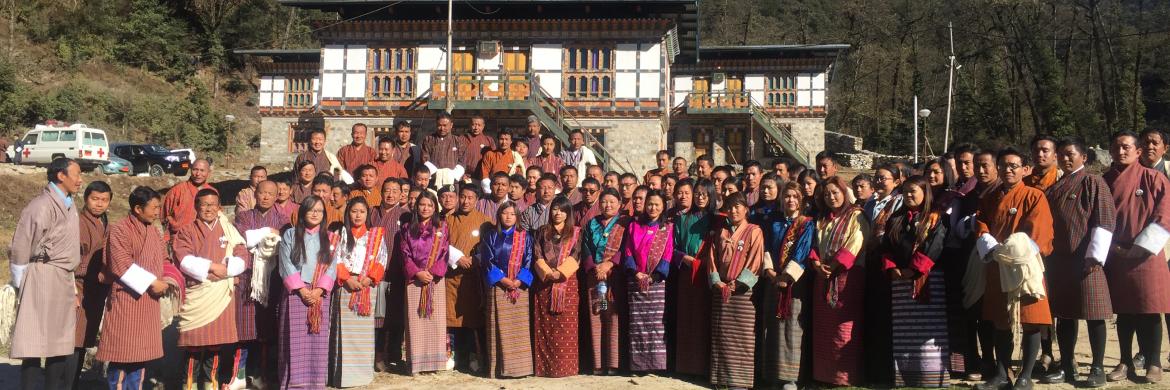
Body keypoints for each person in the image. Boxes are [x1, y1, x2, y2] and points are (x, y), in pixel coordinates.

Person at [972, 148, 1055, 390]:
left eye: (1014, 166)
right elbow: (981, 223)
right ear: (997, 168)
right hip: (998, 264)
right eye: (1004, 165)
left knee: (1031, 320)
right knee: (1000, 321)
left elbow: (1040, 231)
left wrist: (1014, 249)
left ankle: (1026, 376)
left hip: (1025, 266)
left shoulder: (1034, 195)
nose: (1008, 170)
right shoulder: (989, 197)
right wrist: (991, 245)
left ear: (1024, 169)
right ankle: (1001, 375)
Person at [1040, 138, 1116, 387]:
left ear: (1084, 157)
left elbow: (1104, 221)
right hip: (1058, 261)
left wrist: (1094, 256)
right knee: (1064, 315)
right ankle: (1067, 364)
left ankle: (1096, 368)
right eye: (1061, 154)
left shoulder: (1093, 182)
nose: (1065, 158)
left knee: (1094, 314)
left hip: (1087, 260)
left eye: (1070, 154)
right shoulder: (1053, 188)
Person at [1103, 131, 1170, 383]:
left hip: (1147, 255)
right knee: (1124, 311)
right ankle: (1125, 361)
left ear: (1137, 151)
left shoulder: (1154, 178)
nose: (1121, 151)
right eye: (1117, 147)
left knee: (1150, 310)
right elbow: (1096, 218)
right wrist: (1111, 247)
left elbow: (1164, 216)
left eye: (1126, 147)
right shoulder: (1102, 181)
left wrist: (1139, 248)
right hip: (1114, 252)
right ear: (1110, 151)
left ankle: (1154, 362)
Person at [9, 158, 83, 390]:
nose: (80, 180)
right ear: (61, 176)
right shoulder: (41, 205)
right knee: (33, 341)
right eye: (77, 174)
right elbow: (21, 246)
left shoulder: (70, 205)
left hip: (62, 277)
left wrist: (72, 286)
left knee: (59, 343)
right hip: (40, 276)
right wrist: (23, 284)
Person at [96, 186, 180, 390]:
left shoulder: (153, 230)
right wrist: (153, 282)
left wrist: (168, 280)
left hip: (149, 302)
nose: (157, 212)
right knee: (122, 357)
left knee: (141, 357)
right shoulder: (119, 229)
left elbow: (164, 258)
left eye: (158, 207)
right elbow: (121, 265)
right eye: (153, 208)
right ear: (137, 209)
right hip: (126, 301)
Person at [878, 177, 950, 387]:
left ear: (925, 193)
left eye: (913, 191)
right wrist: (892, 268)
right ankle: (905, 376)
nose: (909, 196)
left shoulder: (936, 217)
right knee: (905, 333)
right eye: (906, 192)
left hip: (927, 280)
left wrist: (914, 269)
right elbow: (886, 246)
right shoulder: (896, 218)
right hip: (900, 281)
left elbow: (936, 244)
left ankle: (930, 377)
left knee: (927, 334)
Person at [172, 189, 248, 389]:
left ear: (219, 207)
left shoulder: (228, 229)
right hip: (199, 294)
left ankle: (211, 385)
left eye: (212, 204)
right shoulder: (186, 231)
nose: (208, 209)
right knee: (193, 349)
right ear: (196, 207)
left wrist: (228, 270)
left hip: (220, 295)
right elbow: (184, 259)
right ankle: (189, 386)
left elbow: (241, 252)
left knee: (215, 348)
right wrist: (212, 268)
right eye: (204, 204)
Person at [810, 176, 866, 386]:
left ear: (844, 192)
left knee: (844, 328)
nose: (831, 197)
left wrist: (833, 266)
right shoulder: (823, 218)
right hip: (823, 278)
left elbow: (855, 243)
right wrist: (816, 264)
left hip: (846, 279)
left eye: (835, 192)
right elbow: (814, 244)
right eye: (827, 194)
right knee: (824, 330)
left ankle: (843, 376)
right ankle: (824, 374)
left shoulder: (856, 216)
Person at [232, 180, 289, 388]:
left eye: (270, 193)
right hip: (248, 279)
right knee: (245, 327)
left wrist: (269, 234)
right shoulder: (244, 216)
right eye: (262, 192)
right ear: (255, 194)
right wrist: (268, 232)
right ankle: (239, 374)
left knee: (267, 327)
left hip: (273, 279)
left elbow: (286, 242)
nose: (265, 196)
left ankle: (262, 373)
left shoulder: (283, 219)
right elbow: (244, 238)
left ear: (277, 196)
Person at [759, 182, 815, 390]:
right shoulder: (773, 222)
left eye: (794, 196)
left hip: (794, 285)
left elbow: (803, 251)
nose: (790, 200)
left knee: (792, 329)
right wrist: (771, 272)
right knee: (772, 327)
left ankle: (790, 378)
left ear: (801, 200)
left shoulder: (807, 224)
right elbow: (766, 248)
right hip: (772, 281)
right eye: (787, 196)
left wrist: (786, 277)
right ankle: (773, 375)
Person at [705, 192, 764, 389]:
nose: (733, 210)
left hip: (742, 293)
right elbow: (712, 257)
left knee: (742, 337)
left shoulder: (755, 231)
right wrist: (716, 281)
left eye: (738, 206)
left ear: (746, 209)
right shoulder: (720, 231)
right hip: (721, 289)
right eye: (730, 207)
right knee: (721, 335)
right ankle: (720, 379)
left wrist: (738, 283)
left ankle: (739, 382)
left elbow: (755, 260)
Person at [276, 196, 336, 389]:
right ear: (302, 212)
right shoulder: (290, 235)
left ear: (324, 214)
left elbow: (332, 267)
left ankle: (316, 382)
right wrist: (302, 290)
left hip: (320, 295)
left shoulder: (330, 237)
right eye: (311, 209)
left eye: (319, 210)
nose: (315, 213)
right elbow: (285, 263)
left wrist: (318, 290)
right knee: (292, 341)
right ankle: (292, 383)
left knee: (317, 341)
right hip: (296, 294)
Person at [329, 197, 388, 388]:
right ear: (348, 212)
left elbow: (381, 259)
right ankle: (341, 375)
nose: (358, 215)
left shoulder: (375, 235)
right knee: (343, 333)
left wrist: (370, 278)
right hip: (346, 285)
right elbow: (334, 259)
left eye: (362, 211)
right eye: (354, 211)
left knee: (363, 334)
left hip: (366, 286)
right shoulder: (340, 234)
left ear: (367, 214)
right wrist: (347, 278)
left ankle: (362, 375)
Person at [478, 202, 536, 378]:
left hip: (519, 289)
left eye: (512, 213)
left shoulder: (525, 237)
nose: (508, 217)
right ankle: (498, 368)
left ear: (517, 217)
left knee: (518, 329)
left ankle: (520, 368)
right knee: (497, 327)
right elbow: (487, 260)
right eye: (505, 213)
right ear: (499, 215)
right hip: (498, 287)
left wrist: (519, 281)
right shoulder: (490, 236)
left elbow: (529, 259)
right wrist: (503, 279)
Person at [398, 191, 451, 375]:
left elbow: (444, 253)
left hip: (435, 280)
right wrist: (417, 272)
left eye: (429, 205)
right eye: (422, 204)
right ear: (416, 206)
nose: (425, 208)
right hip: (414, 280)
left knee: (434, 321)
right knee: (415, 320)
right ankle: (417, 363)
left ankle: (435, 362)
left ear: (435, 207)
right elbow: (404, 254)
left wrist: (433, 272)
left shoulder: (442, 227)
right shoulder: (406, 228)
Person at [622, 190, 674, 373]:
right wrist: (636, 272)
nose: (652, 207)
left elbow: (667, 254)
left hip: (656, 283)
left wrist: (655, 276)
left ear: (663, 207)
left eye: (657, 204)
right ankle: (638, 365)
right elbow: (628, 251)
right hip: (635, 281)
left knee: (656, 325)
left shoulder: (667, 228)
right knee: (637, 325)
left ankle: (657, 365)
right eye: (650, 204)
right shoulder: (634, 226)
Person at [66, 181, 111, 389]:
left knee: (83, 340)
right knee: (72, 342)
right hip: (80, 286)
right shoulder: (78, 222)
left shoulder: (105, 221)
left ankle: (73, 381)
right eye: (95, 199)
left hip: (96, 291)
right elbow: (74, 258)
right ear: (86, 199)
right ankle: (67, 383)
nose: (99, 204)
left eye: (104, 200)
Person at [671, 178, 717, 377]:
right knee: (686, 318)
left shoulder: (717, 219)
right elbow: (672, 247)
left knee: (703, 318)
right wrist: (685, 258)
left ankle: (702, 367)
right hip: (686, 272)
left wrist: (707, 260)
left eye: (704, 194)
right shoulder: (682, 218)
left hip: (707, 273)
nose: (700, 197)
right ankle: (686, 366)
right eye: (697, 193)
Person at [531, 196, 582, 378]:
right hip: (544, 284)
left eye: (562, 210)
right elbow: (537, 254)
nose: (557, 213)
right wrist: (547, 272)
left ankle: (566, 368)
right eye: (554, 209)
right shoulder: (541, 231)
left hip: (566, 284)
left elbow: (576, 255)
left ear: (568, 213)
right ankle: (545, 368)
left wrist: (560, 272)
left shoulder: (576, 232)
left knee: (565, 329)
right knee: (545, 327)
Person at [581, 188, 628, 375]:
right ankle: (598, 363)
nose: (607, 205)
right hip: (595, 277)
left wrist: (609, 264)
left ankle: (613, 364)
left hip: (614, 276)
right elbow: (585, 248)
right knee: (596, 316)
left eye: (611, 201)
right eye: (604, 202)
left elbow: (626, 247)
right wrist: (595, 267)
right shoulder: (592, 223)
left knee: (612, 318)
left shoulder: (625, 223)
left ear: (619, 204)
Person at [444, 184, 491, 373]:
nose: (465, 201)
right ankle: (452, 354)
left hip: (473, 278)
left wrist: (475, 259)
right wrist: (457, 258)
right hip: (452, 278)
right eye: (462, 197)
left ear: (477, 200)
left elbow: (489, 246)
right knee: (451, 318)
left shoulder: (485, 222)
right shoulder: (447, 220)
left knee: (473, 319)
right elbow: (440, 245)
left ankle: (474, 355)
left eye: (470, 198)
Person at [163, 158, 213, 236]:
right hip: (178, 237)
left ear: (208, 173)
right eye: (195, 169)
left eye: (202, 170)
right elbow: (164, 215)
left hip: (205, 237)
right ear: (190, 170)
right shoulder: (177, 190)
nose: (198, 174)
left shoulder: (212, 192)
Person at [422, 112, 467, 188]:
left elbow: (462, 161)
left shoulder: (458, 141)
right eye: (439, 125)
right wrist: (438, 174)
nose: (442, 128)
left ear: (451, 125)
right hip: (433, 180)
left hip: (453, 181)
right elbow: (425, 159)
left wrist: (452, 175)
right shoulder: (429, 140)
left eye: (445, 125)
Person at [460, 115, 495, 180]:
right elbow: (457, 159)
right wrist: (461, 175)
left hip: (483, 176)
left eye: (479, 125)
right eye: (474, 125)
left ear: (483, 126)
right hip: (465, 176)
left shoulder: (489, 140)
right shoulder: (462, 139)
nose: (476, 128)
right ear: (469, 125)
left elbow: (493, 160)